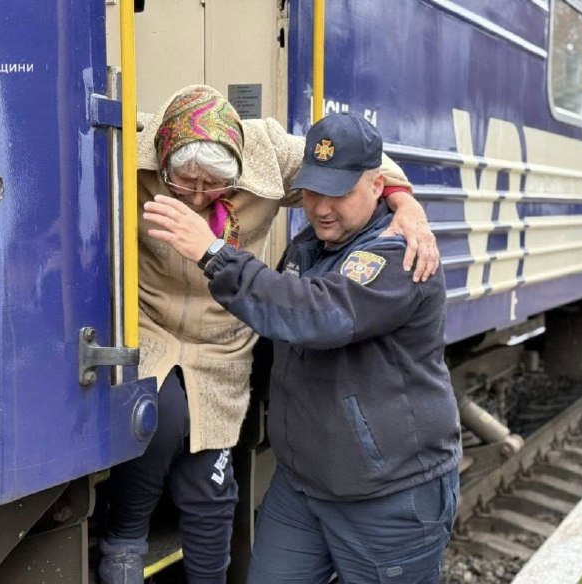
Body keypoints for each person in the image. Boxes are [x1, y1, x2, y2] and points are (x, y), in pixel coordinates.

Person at [99, 87, 442, 584]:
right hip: (155, 329)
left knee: (209, 481)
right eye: (184, 182)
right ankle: (124, 545)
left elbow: (318, 312)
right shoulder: (141, 143)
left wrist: (406, 203)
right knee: (156, 418)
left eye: (214, 184)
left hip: (226, 346)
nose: (197, 197)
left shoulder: (388, 250)